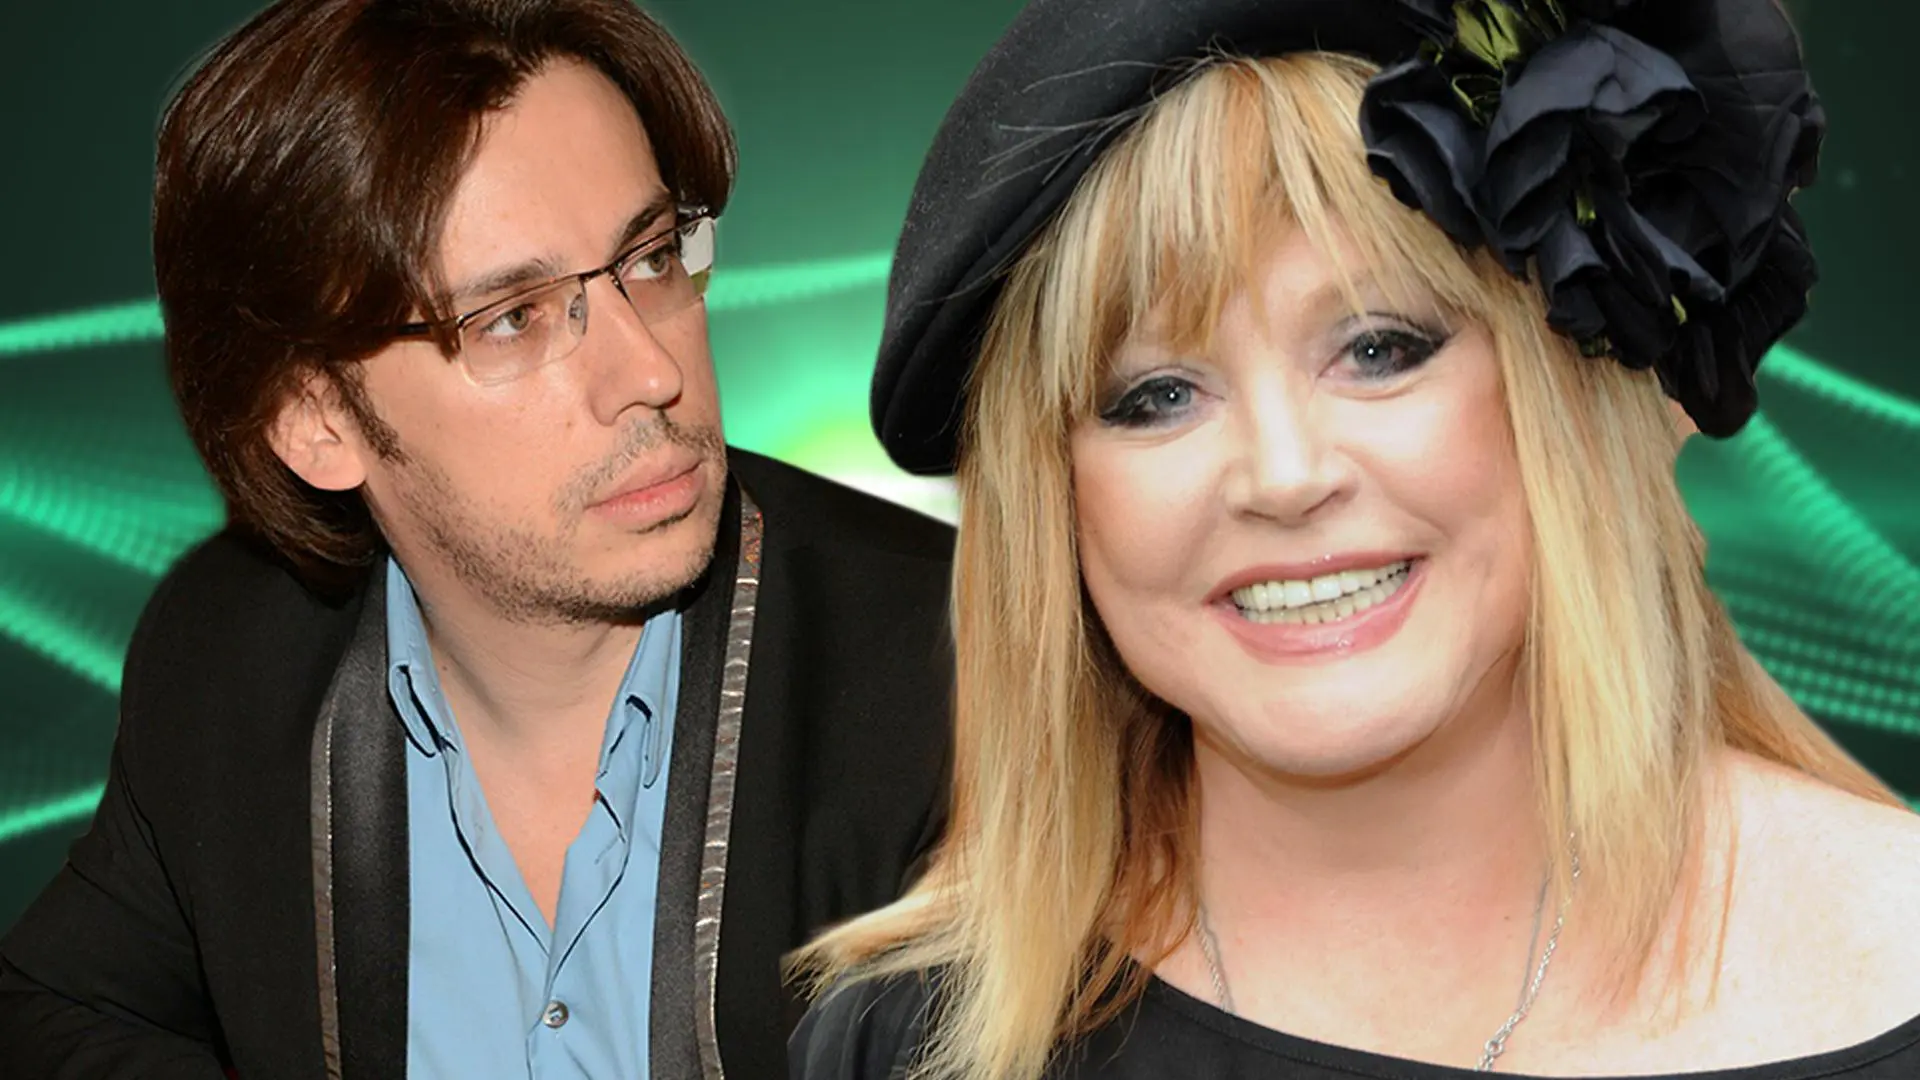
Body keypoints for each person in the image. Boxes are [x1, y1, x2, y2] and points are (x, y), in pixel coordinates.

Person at [789, 0, 1920, 1077]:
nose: (1285, 477)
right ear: (1056, 503)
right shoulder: (909, 1047)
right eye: (1157, 397)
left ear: (1564, 395)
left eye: (1380, 349)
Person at [0, 1, 953, 1078]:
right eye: (512, 318)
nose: (652, 372)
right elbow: (47, 1011)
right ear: (317, 420)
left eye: (650, 258)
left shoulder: (966, 682)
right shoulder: (236, 661)